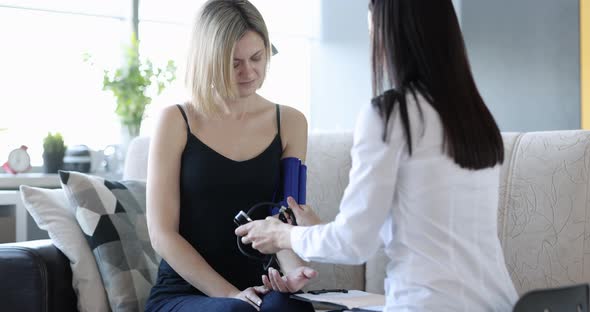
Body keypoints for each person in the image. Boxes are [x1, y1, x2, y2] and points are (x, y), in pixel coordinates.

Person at [236, 0, 519, 311]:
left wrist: (283, 235)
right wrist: (314, 231)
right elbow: (421, 230)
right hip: (500, 303)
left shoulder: (391, 115)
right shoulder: (475, 116)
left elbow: (354, 244)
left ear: (391, 34)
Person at [144, 1, 317, 311]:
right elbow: (161, 234)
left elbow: (285, 217)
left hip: (258, 285)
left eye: (256, 58)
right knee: (236, 311)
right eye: (234, 62)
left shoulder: (290, 122)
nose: (248, 72)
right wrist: (229, 294)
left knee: (294, 308)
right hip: (185, 293)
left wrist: (292, 273)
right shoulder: (176, 120)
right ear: (209, 60)